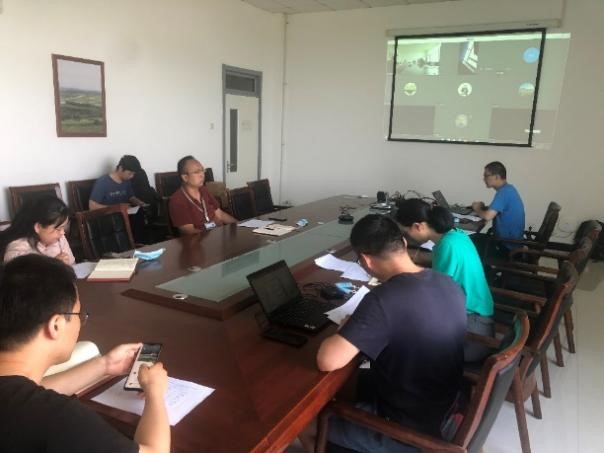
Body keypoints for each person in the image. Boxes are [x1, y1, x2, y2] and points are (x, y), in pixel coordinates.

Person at [316, 215, 467, 452]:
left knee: (309, 422)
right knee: (357, 379)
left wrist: (347, 326)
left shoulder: (383, 299)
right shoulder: (447, 282)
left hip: (408, 432)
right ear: (404, 244)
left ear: (366, 260)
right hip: (447, 408)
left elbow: (327, 361)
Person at [0, 254, 170, 453]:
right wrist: (154, 392)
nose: (81, 322)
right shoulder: (59, 417)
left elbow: (23, 396)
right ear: (56, 325)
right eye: (78, 314)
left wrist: (104, 365)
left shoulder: (18, 399)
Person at [396, 198, 494, 361]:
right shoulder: (455, 235)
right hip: (479, 320)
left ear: (418, 226)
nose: (407, 236)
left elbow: (435, 298)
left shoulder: (446, 246)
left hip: (472, 336)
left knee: (401, 333)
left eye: (406, 232)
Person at [168, 156, 236, 235]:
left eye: (203, 170)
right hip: (201, 240)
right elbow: (189, 231)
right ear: (185, 177)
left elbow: (220, 214)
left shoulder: (203, 190)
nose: (202, 175)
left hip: (220, 234)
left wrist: (239, 225)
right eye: (197, 172)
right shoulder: (177, 200)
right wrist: (213, 237)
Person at [471, 161, 525, 258]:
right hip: (511, 243)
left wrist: (477, 208)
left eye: (486, 176)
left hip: (507, 247)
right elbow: (497, 210)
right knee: (474, 238)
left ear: (497, 177)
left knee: (468, 241)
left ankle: (484, 267)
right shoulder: (509, 189)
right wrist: (484, 208)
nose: (484, 179)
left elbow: (487, 216)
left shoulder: (504, 192)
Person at [1, 195, 75, 265]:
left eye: (63, 227)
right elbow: (20, 274)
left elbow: (73, 265)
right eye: (58, 229)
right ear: (38, 227)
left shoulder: (59, 238)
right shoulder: (17, 250)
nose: (63, 232)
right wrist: (55, 264)